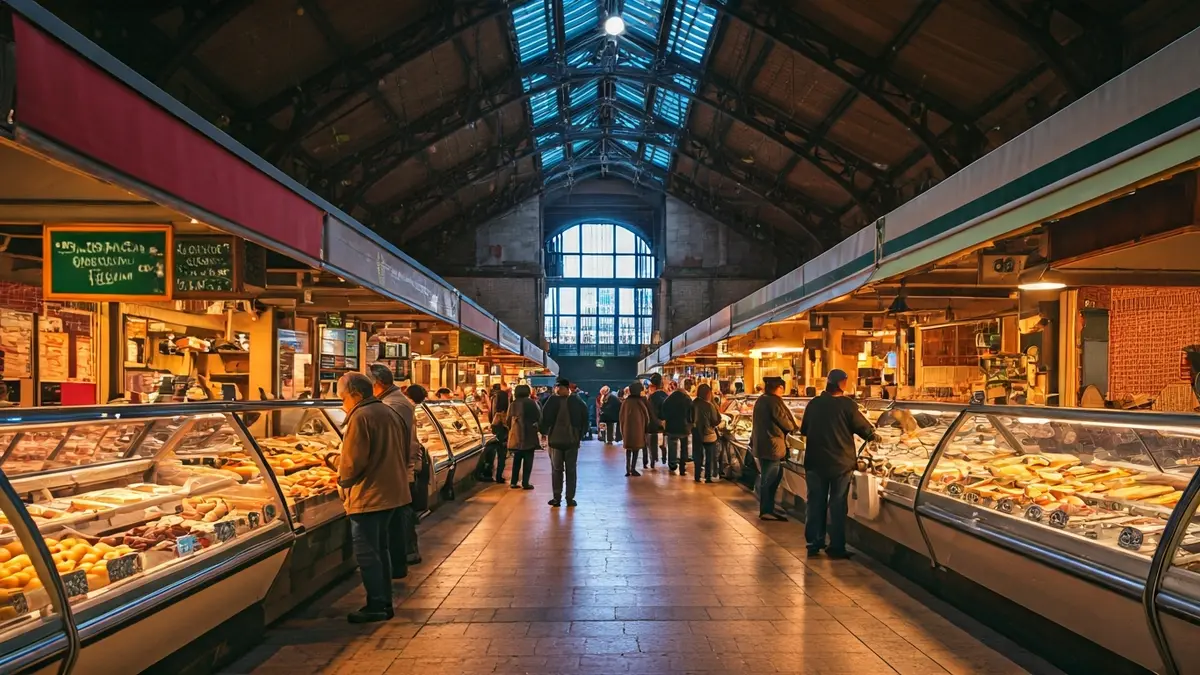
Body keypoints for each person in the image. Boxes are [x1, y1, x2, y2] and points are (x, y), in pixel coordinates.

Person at [336, 372, 411, 623]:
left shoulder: (361, 416)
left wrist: (341, 480)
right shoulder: (388, 412)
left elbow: (352, 463)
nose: (342, 402)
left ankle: (377, 604)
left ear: (355, 394)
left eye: (342, 397)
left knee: (368, 553)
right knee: (381, 548)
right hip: (392, 491)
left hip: (370, 494)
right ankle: (384, 601)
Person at [800, 369, 876, 559]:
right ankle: (836, 546)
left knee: (815, 502)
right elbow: (865, 430)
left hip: (815, 462)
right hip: (841, 464)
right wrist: (874, 434)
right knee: (837, 504)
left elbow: (804, 429)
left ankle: (814, 543)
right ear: (842, 383)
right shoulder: (848, 405)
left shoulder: (814, 404)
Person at [366, 364, 423, 568]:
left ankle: (405, 556)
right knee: (401, 513)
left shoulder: (393, 404)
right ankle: (404, 556)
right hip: (400, 465)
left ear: (378, 384)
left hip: (398, 467)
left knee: (401, 515)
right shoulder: (395, 401)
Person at [752, 377, 797, 522]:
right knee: (770, 479)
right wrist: (796, 427)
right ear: (780, 388)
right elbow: (787, 424)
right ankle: (766, 510)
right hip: (773, 447)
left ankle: (768, 508)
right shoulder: (774, 402)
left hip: (763, 445)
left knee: (768, 477)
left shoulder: (761, 400)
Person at [540, 377, 589, 506]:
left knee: (559, 470)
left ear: (566, 389)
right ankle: (565, 497)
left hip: (561, 441)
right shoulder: (575, 401)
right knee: (568, 470)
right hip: (566, 441)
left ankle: (562, 497)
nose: (558, 390)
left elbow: (544, 418)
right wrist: (580, 434)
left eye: (560, 388)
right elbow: (585, 418)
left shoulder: (556, 401)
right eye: (557, 388)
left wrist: (544, 432)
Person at [506, 384, 541, 490]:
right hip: (529, 434)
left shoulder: (513, 404)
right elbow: (538, 417)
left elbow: (508, 420)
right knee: (528, 460)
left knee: (516, 460)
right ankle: (525, 482)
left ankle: (513, 482)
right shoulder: (531, 403)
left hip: (517, 435)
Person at [618, 381, 653, 477]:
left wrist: (622, 429)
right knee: (636, 449)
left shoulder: (625, 402)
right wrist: (646, 428)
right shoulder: (640, 402)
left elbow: (621, 416)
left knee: (628, 450)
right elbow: (646, 417)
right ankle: (633, 469)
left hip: (626, 430)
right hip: (638, 430)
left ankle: (627, 469)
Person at [661, 377, 695, 476]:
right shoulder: (687, 399)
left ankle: (672, 464)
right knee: (684, 447)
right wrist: (690, 423)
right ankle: (682, 467)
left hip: (671, 427)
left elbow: (664, 412)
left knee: (672, 445)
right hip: (684, 427)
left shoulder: (669, 399)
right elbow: (691, 413)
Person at [692, 383, 722, 483]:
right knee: (709, 456)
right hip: (708, 434)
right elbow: (715, 420)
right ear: (707, 393)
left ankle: (697, 476)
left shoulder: (693, 403)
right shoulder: (709, 405)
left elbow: (689, 418)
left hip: (696, 433)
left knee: (697, 455)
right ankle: (708, 476)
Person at [646, 374, 668, 469]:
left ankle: (653, 460)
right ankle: (664, 457)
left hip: (653, 424)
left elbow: (650, 410)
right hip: (664, 424)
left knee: (652, 443)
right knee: (663, 443)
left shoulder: (651, 397)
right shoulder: (666, 395)